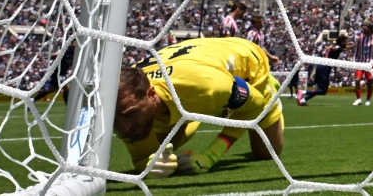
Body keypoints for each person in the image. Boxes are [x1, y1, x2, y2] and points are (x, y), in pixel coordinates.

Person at [114, 37, 284, 178]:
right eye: (117, 119)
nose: (124, 127)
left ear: (151, 94)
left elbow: (256, 105)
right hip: (191, 64)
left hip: (247, 62)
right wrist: (150, 166)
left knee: (266, 153)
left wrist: (210, 156)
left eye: (131, 114)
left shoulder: (207, 86)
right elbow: (142, 158)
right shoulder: (122, 100)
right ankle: (196, 112)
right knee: (161, 150)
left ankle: (270, 87)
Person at [298, 35, 347, 105]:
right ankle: (302, 92)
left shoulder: (339, 47)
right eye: (346, 42)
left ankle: (303, 100)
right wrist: (331, 48)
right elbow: (335, 49)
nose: (346, 43)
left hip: (321, 67)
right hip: (325, 69)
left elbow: (344, 48)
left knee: (319, 89)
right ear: (342, 42)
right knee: (323, 91)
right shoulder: (338, 47)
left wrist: (355, 45)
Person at [350, 22, 373, 106]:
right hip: (360, 62)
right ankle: (358, 99)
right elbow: (357, 50)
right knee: (357, 80)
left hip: (370, 63)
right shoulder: (360, 37)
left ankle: (368, 100)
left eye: (365, 28)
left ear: (369, 29)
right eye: (363, 28)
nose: (363, 29)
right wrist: (354, 61)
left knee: (370, 82)